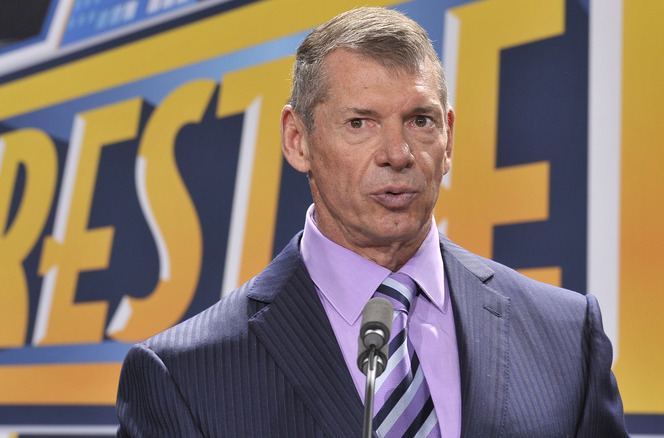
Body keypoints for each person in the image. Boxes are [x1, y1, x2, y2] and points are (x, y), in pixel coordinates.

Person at [116, 7, 629, 437]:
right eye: (360, 123)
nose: (397, 153)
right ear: (298, 141)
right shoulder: (184, 377)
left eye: (420, 121)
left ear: (447, 138)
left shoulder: (566, 337)